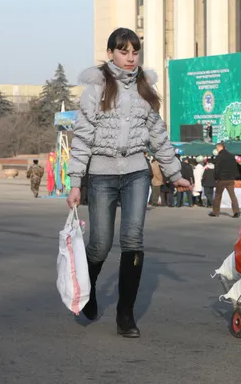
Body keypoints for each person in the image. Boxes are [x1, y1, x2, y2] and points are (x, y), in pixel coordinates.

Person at [65, 27, 191, 338]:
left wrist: (174, 174)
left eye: (135, 52)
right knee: (100, 244)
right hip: (102, 174)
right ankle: (88, 291)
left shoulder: (145, 87)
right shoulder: (96, 88)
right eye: (123, 52)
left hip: (136, 171)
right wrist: (75, 181)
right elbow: (82, 138)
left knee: (133, 240)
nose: (130, 57)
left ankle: (125, 314)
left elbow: (158, 135)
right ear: (110, 53)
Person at [209, 142, 241, 218]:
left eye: (217, 148)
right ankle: (236, 212)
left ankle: (215, 212)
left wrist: (216, 178)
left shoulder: (219, 157)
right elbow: (235, 167)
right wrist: (235, 176)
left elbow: (217, 169)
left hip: (221, 179)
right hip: (230, 179)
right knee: (232, 196)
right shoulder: (231, 156)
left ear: (220, 147)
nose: (216, 149)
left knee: (218, 196)